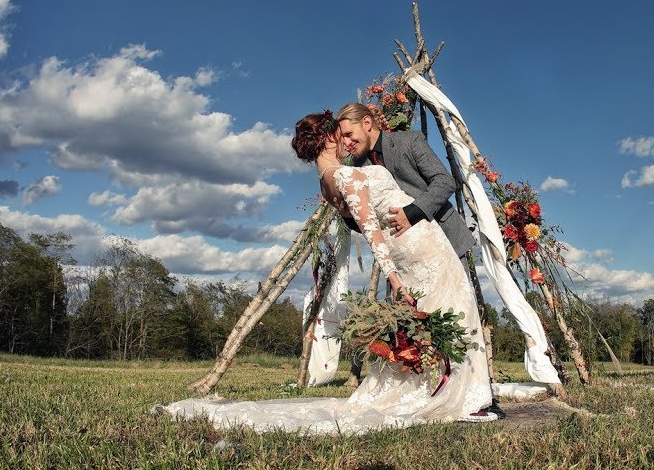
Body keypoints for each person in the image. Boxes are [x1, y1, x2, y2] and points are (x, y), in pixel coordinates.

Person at [153, 111, 497, 434]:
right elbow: (370, 229)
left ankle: (447, 389)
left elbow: (370, 223)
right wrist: (392, 278)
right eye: (340, 134)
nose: (346, 141)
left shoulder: (326, 182)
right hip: (419, 248)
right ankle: (460, 395)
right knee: (453, 310)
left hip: (413, 246)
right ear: (328, 138)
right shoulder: (345, 174)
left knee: (439, 313)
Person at [335, 101, 473, 258]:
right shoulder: (355, 169)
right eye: (342, 138)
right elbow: (367, 223)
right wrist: (346, 213)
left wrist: (411, 212)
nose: (346, 144)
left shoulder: (410, 141)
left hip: (445, 239)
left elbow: (444, 181)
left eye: (348, 134)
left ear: (367, 123)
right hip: (403, 254)